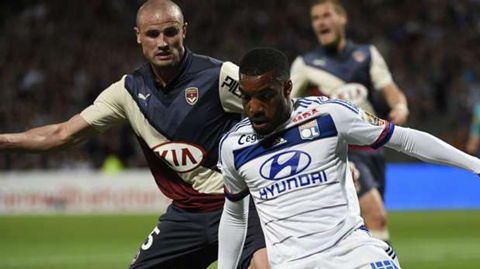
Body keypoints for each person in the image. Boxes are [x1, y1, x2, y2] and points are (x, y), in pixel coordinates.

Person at [0, 1, 269, 269]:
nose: (162, 42)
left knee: (265, 265)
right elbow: (62, 134)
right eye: (153, 34)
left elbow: (277, 112)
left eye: (170, 32)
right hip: (186, 216)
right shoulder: (127, 92)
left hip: (239, 205)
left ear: (184, 31)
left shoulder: (219, 76)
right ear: (138, 36)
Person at [217, 47, 480, 269]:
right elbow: (234, 216)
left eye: (265, 96)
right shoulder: (234, 147)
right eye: (246, 97)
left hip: (353, 255)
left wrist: (475, 164)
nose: (253, 108)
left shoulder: (329, 115)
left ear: (287, 88)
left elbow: (406, 140)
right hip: (292, 263)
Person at [289, 0, 409, 243]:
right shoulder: (305, 65)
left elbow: (389, 89)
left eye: (326, 15)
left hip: (372, 148)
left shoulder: (366, 54)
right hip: (339, 151)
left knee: (365, 224)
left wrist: (400, 106)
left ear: (342, 19)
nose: (321, 22)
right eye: (316, 18)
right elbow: (286, 106)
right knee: (376, 216)